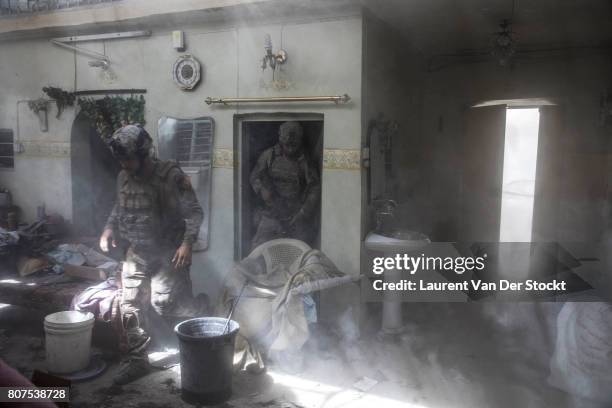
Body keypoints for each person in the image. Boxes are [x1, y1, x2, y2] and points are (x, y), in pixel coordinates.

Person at [99, 124, 204, 385]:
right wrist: (109, 227)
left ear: (145, 155)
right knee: (130, 307)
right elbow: (119, 204)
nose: (124, 165)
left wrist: (187, 244)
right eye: (121, 160)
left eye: (129, 159)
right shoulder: (123, 177)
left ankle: (197, 344)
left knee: (167, 303)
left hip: (168, 252)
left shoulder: (171, 176)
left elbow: (194, 212)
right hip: (136, 252)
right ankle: (137, 362)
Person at [249, 121, 320, 249]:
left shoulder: (305, 161)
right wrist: (261, 190)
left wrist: (303, 213)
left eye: (294, 141)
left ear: (300, 140)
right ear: (280, 138)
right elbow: (255, 177)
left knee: (301, 251)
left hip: (296, 216)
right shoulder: (269, 155)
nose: (290, 145)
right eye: (286, 140)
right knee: (258, 250)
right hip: (271, 213)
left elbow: (314, 188)